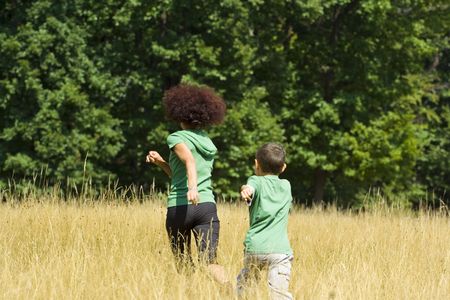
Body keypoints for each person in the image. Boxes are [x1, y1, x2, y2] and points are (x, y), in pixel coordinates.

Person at [146, 84, 228, 284]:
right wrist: (161, 163)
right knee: (209, 261)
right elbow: (180, 173)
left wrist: (192, 189)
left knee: (183, 263)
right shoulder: (208, 142)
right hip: (207, 207)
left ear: (179, 113)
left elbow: (189, 160)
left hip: (180, 206)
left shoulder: (176, 137)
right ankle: (230, 291)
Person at [237, 143, 294, 299]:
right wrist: (247, 189)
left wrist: (246, 190)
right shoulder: (286, 185)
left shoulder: (255, 181)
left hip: (254, 247)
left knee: (246, 288)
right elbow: (251, 187)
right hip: (279, 251)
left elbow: (250, 187)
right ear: (283, 167)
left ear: (256, 164)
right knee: (279, 294)